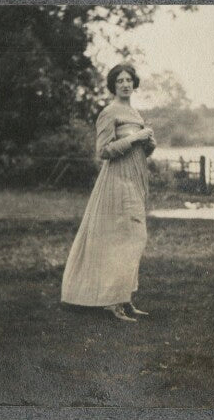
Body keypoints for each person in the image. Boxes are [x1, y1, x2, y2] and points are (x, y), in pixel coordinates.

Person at [60, 63, 156, 322]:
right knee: (128, 237)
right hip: (117, 181)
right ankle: (113, 302)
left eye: (129, 80)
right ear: (113, 85)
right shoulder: (109, 112)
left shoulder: (135, 114)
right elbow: (102, 151)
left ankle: (124, 299)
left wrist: (149, 145)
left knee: (132, 237)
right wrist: (135, 139)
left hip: (135, 180)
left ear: (134, 84)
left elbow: (139, 152)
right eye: (120, 80)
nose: (125, 84)